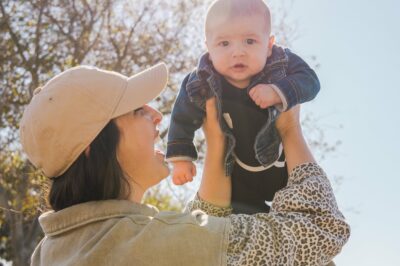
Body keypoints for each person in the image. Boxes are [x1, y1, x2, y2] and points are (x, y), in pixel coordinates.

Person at [20, 63, 349, 266]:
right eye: (137, 110)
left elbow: (197, 236)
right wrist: (290, 131)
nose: (157, 115)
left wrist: (218, 144)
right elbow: (321, 231)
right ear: (93, 148)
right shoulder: (145, 247)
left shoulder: (52, 251)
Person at [166, 0, 320, 214]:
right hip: (238, 171)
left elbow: (310, 81)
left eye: (249, 41)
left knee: (298, 207)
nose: (238, 52)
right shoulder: (200, 81)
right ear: (208, 48)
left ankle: (293, 219)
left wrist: (278, 90)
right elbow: (182, 118)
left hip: (280, 164)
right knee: (239, 213)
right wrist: (181, 158)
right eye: (224, 44)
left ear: (269, 46)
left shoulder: (281, 62)